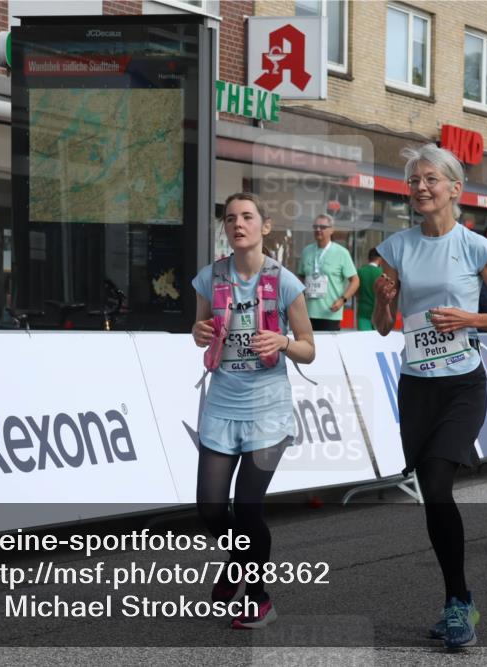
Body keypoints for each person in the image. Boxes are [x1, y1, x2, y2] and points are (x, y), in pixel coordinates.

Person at [372, 144, 487, 649]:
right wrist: (382, 302)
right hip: (418, 385)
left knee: (438, 485)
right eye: (414, 180)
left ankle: (458, 603)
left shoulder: (476, 247)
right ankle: (458, 597)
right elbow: (382, 328)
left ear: (455, 189)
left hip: (463, 382)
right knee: (431, 494)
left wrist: (469, 319)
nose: (420, 188)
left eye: (430, 179)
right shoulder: (395, 247)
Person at [191, 193, 316, 629]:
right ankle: (237, 560)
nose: (238, 224)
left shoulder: (285, 282)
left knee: (247, 508)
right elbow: (199, 331)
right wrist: (200, 330)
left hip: (268, 409)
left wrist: (282, 342)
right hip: (223, 405)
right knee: (208, 507)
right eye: (230, 218)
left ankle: (259, 597)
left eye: (247, 217)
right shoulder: (211, 277)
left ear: (264, 227)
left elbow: (309, 349)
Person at [298, 214, 359, 331]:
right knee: (308, 348)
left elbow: (355, 281)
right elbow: (300, 277)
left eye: (322, 227)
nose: (318, 230)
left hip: (330, 313)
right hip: (307, 313)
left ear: (331, 230)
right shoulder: (306, 251)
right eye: (315, 227)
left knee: (327, 349)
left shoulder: (342, 253)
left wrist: (343, 300)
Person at [355, 248, 384, 331]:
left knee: (364, 339)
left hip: (363, 309)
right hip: (378, 310)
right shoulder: (382, 273)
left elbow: (356, 291)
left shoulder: (360, 271)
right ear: (379, 259)